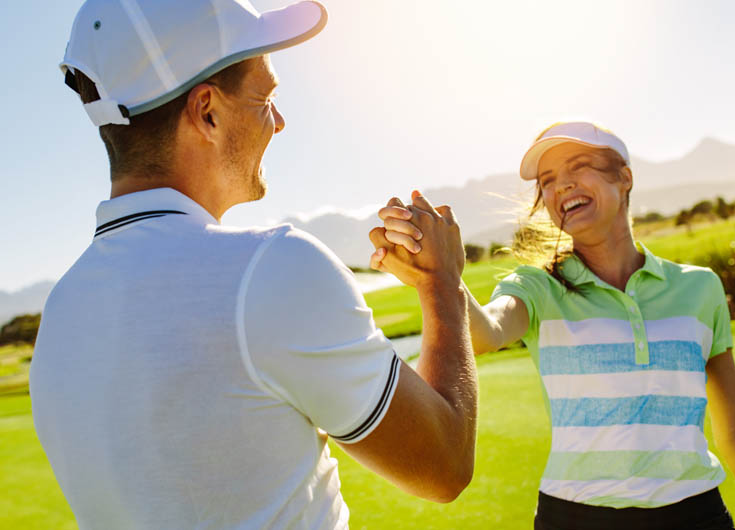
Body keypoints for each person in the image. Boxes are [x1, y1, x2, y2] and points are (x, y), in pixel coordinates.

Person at [29, 1, 478, 528]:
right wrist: (442, 282)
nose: (280, 122)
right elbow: (444, 465)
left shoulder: (59, 315)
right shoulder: (274, 268)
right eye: (265, 97)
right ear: (208, 112)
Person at [371, 121, 735, 530]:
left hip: (696, 514)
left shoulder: (699, 288)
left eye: (578, 168)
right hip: (576, 519)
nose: (562, 186)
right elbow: (487, 331)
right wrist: (440, 277)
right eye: (548, 180)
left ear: (624, 178)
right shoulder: (537, 287)